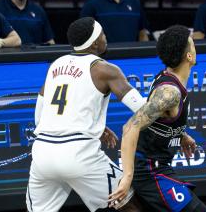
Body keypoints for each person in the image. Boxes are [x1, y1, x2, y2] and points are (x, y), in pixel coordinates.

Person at [26, 17, 146, 212]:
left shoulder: (56, 64)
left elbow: (40, 116)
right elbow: (141, 108)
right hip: (78, 154)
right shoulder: (105, 69)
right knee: (128, 202)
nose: (106, 38)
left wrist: (90, 125)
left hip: (43, 154)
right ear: (95, 42)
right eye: (103, 34)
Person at [109, 25, 206, 212]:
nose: (195, 48)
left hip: (158, 167)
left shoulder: (168, 77)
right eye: (193, 45)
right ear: (190, 56)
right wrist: (127, 177)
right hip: (149, 171)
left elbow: (158, 118)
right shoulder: (169, 93)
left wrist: (181, 134)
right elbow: (130, 128)